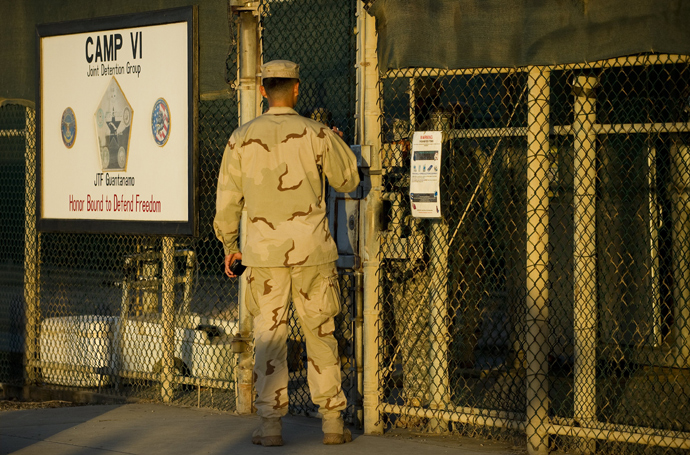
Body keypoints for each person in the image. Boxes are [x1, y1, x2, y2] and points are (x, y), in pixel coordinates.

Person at [213, 60, 360, 446]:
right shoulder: (317, 133)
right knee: (321, 334)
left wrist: (231, 247)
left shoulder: (240, 138)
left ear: (263, 91)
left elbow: (227, 203)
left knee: (269, 338)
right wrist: (336, 141)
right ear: (296, 90)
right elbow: (348, 178)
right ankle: (331, 424)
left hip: (263, 257)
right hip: (313, 252)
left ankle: (271, 427)